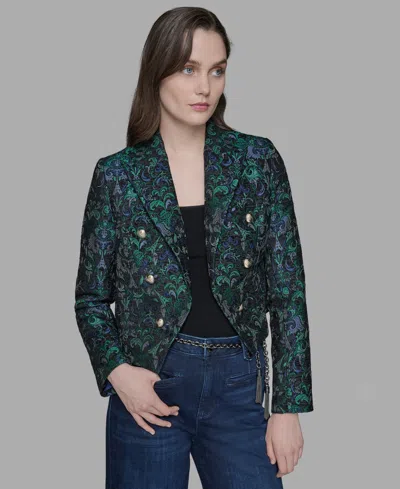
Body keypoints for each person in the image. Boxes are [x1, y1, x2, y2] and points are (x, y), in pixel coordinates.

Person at [74, 6, 314, 489]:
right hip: (150, 390)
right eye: (188, 69)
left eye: (216, 70)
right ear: (157, 72)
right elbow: (91, 299)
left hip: (238, 386)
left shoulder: (256, 161)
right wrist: (118, 373)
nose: (204, 87)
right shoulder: (118, 175)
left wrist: (287, 407)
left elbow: (288, 292)